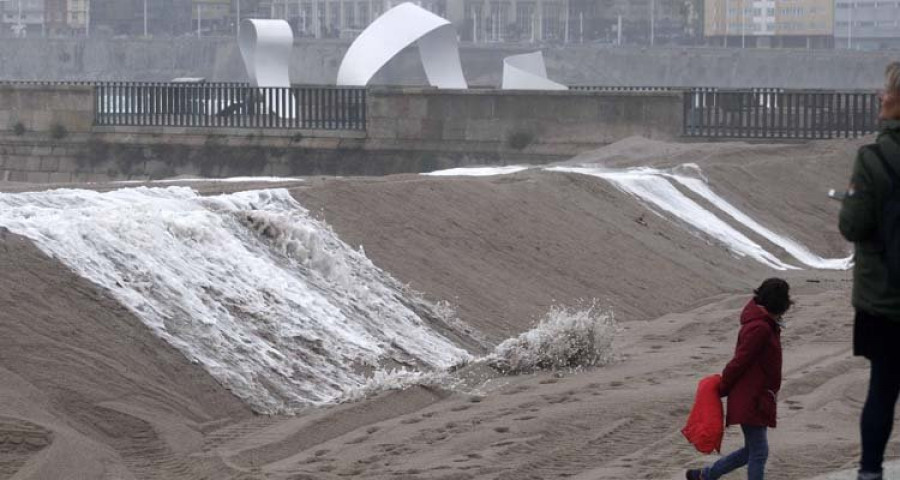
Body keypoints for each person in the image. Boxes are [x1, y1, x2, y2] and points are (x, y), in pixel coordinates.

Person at [839, 61, 900, 480]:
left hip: (885, 301)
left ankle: (870, 473)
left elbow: (853, 225)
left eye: (886, 91)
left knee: (882, 391)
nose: (880, 96)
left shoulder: (873, 158)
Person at [686, 278, 791, 480]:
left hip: (756, 396)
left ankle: (705, 475)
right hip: (752, 398)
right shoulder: (760, 328)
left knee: (750, 451)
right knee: (759, 452)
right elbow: (740, 361)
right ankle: (705, 475)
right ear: (778, 304)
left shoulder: (764, 324)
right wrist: (724, 385)